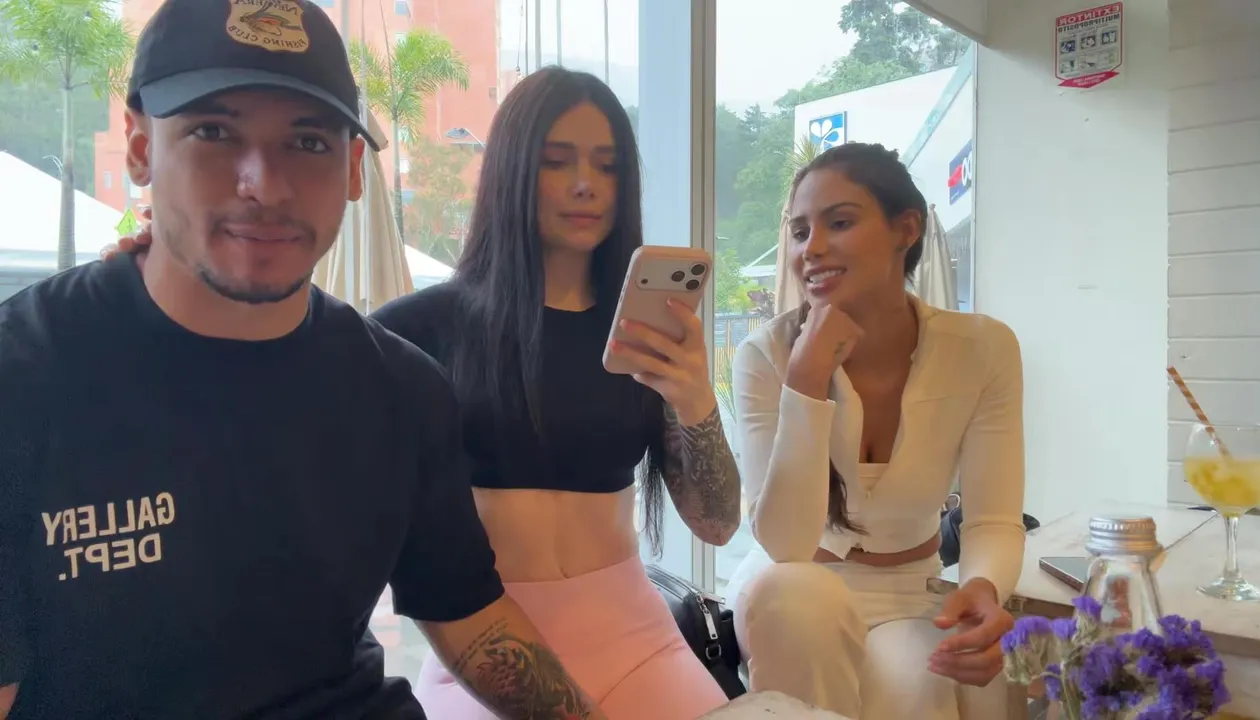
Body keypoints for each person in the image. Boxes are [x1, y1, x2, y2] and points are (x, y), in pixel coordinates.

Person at [0, 2, 603, 719]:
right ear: (138, 147)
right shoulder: (26, 377)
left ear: (353, 169)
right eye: (214, 132)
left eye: (308, 142)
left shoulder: (400, 389)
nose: (265, 185)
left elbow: (471, 619)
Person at [104, 67, 739, 720]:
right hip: (483, 650)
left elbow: (716, 525)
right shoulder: (416, 333)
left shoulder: (644, 339)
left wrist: (694, 399)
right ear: (512, 171)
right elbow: (278, 386)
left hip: (638, 640)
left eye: (607, 165)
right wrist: (176, 273)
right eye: (556, 161)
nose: (586, 184)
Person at [723, 142, 1026, 719]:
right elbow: (786, 546)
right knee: (796, 596)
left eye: (839, 223)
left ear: (905, 229)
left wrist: (983, 586)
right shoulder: (765, 355)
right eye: (800, 231)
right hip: (795, 586)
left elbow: (992, 519)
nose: (811, 248)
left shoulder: (982, 349)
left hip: (910, 591)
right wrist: (806, 380)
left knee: (917, 688)